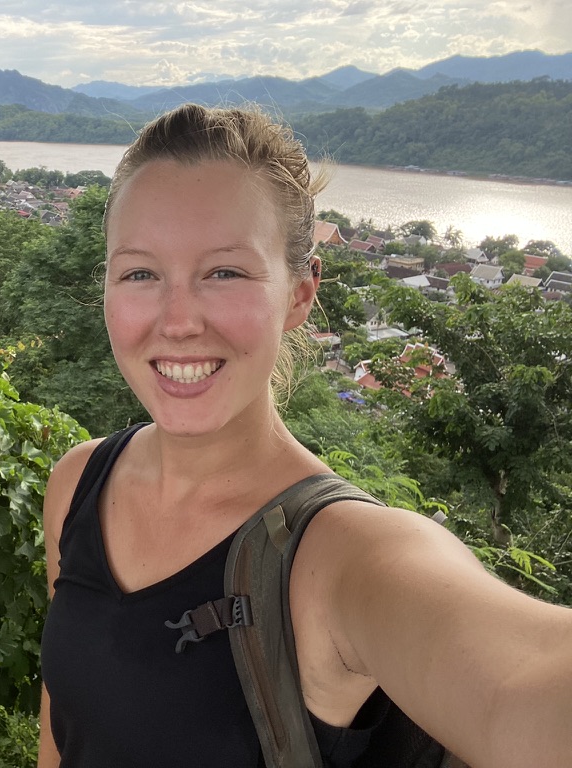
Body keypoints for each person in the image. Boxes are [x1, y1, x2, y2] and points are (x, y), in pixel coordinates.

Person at [37, 103, 572, 767]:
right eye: (140, 273)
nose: (177, 321)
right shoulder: (78, 485)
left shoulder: (339, 559)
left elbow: (520, 685)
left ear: (299, 293)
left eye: (225, 272)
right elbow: (63, 728)